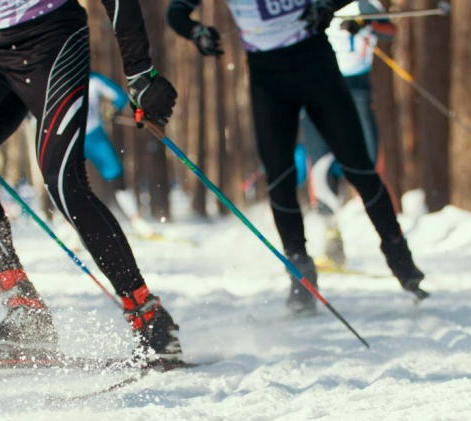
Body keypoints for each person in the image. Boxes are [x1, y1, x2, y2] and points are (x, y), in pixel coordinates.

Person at [0, 0, 182, 360]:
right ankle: (25, 311)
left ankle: (148, 315)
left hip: (54, 41)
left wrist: (140, 70)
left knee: (63, 182)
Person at [167, 0, 426, 316]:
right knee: (280, 179)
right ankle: (300, 275)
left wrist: (327, 5)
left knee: (359, 168)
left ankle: (401, 259)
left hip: (316, 66)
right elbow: (176, 11)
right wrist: (195, 32)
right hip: (268, 81)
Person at [299, 0, 393, 269]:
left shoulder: (365, 4)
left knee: (368, 160)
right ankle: (331, 240)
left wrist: (364, 23)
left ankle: (392, 242)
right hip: (317, 85)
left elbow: (389, 30)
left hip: (356, 88)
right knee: (320, 163)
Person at [85, 71, 158, 239]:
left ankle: (137, 221)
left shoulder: (94, 80)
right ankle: (70, 228)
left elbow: (119, 96)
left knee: (117, 176)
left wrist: (112, 109)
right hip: (68, 139)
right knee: (66, 181)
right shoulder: (57, 79)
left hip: (95, 138)